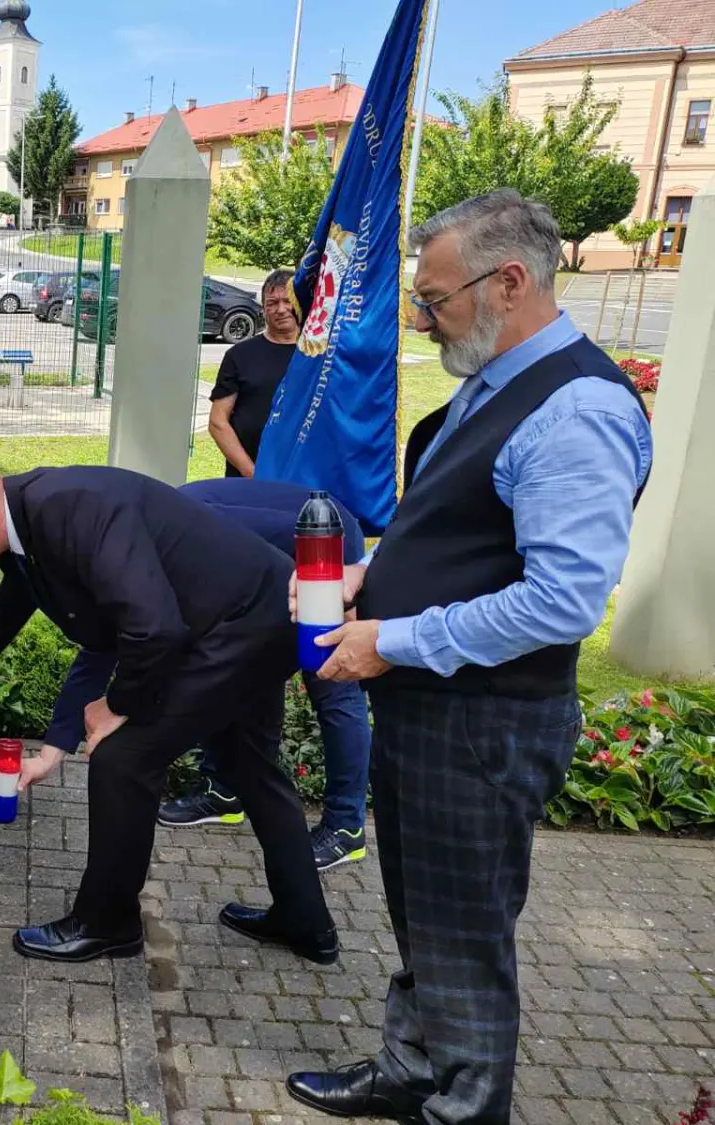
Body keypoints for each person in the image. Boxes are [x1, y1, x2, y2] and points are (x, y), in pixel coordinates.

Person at [285, 191, 652, 1125]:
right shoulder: (494, 382)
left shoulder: (576, 410)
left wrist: (390, 640)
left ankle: (466, 1104)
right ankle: (413, 1068)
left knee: (465, 936)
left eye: (436, 300)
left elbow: (562, 599)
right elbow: (452, 524)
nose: (424, 317)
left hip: (484, 726)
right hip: (432, 711)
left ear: (511, 281)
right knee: (426, 921)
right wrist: (371, 575)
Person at [0, 444, 336, 965]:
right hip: (250, 615)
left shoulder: (70, 510)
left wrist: (117, 705)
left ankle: (108, 922)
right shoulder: (27, 526)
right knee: (250, 765)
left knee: (123, 758)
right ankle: (305, 919)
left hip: (243, 622)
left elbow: (151, 628)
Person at [16, 477, 373, 872]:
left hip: (322, 540)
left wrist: (124, 704)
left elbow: (166, 634)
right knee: (245, 705)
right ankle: (224, 791)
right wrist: (54, 751)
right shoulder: (132, 533)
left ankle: (346, 825)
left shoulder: (152, 532)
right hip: (267, 573)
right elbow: (107, 644)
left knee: (332, 681)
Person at [207, 268, 298, 478]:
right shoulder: (239, 355)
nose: (281, 309)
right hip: (246, 479)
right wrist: (252, 473)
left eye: (288, 301)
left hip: (301, 479)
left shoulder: (316, 357)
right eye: (272, 303)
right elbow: (218, 421)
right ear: (263, 309)